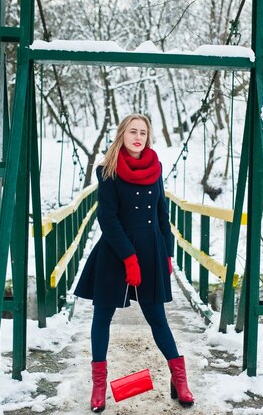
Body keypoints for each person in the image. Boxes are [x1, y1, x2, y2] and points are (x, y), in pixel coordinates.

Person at [74, 114, 194, 413]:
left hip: (152, 250)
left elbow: (163, 214)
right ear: (122, 135)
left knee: (158, 319)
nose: (138, 136)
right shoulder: (108, 170)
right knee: (102, 317)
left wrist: (167, 253)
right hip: (116, 252)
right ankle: (99, 386)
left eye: (143, 132)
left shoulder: (156, 167)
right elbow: (107, 218)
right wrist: (129, 257)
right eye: (132, 131)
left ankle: (180, 380)